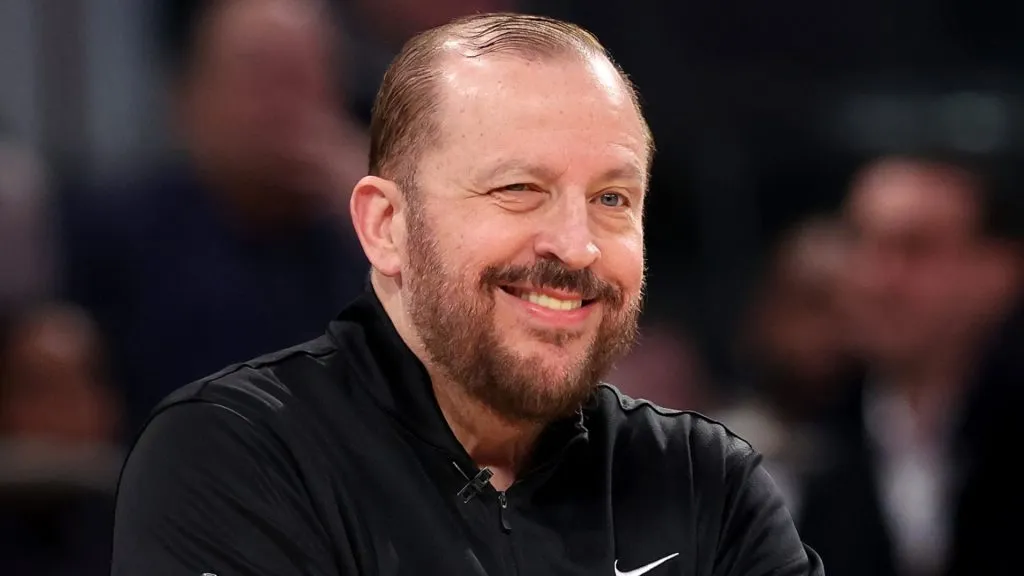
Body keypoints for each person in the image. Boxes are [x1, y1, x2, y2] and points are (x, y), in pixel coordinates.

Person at [111, 13, 823, 575]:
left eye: (612, 198)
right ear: (387, 226)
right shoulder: (236, 458)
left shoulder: (703, 482)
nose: (577, 246)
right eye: (518, 188)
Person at [798, 153, 1024, 576]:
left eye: (915, 249)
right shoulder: (814, 444)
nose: (874, 279)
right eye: (857, 243)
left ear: (1001, 271)